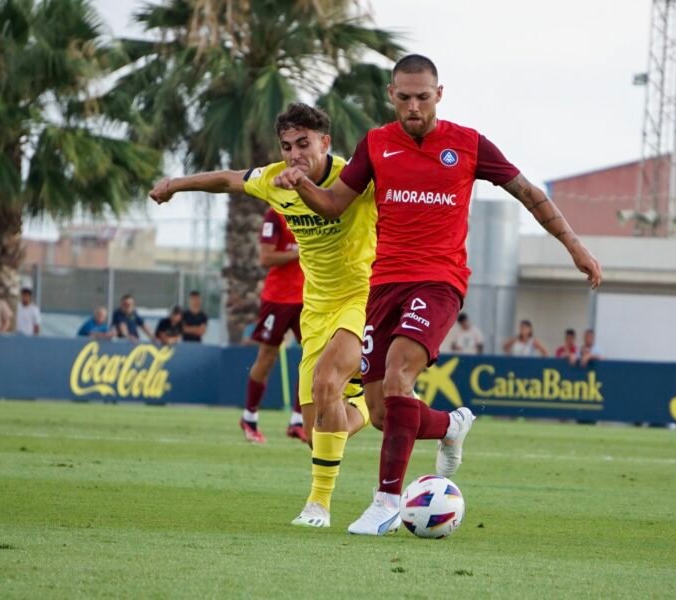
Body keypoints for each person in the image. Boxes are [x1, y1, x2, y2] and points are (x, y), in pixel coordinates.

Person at [274, 54, 602, 535]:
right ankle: (450, 425)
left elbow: (529, 192)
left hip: (439, 281)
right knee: (385, 413)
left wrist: (574, 245)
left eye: (422, 97)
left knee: (400, 373)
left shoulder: (467, 144)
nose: (413, 106)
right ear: (392, 96)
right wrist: (301, 182)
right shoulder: (376, 144)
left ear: (439, 95)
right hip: (383, 285)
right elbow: (332, 205)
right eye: (404, 97)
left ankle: (385, 501)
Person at [150, 102, 378, 528]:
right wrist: (175, 184)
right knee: (320, 429)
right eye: (287, 146)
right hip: (316, 307)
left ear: (325, 143)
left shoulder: (353, 178)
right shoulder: (274, 179)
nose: (294, 154)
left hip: (361, 297)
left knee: (328, 382)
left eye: (304, 144)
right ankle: (368, 404)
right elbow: (228, 179)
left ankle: (318, 506)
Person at [236, 209, 305, 444]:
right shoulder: (275, 215)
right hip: (278, 299)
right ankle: (249, 418)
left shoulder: (316, 207)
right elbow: (266, 258)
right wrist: (301, 252)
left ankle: (298, 421)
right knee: (267, 357)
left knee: (314, 357)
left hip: (308, 298)